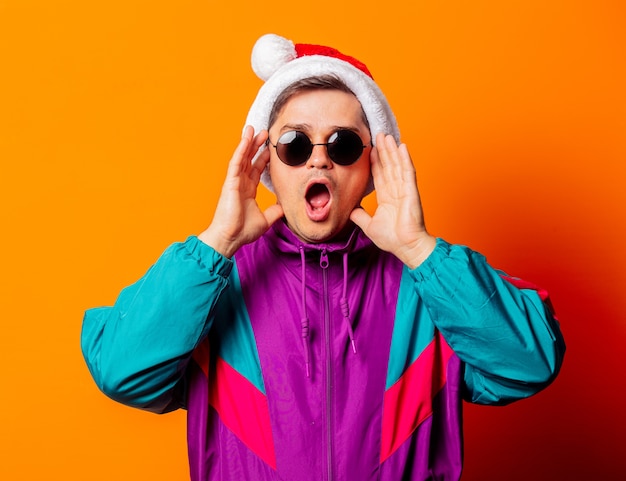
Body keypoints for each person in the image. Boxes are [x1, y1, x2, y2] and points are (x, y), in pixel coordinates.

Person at [81, 33, 565, 481]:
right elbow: (124, 371)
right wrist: (216, 243)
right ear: (265, 161)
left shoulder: (429, 287)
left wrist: (420, 250)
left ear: (372, 163)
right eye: (294, 143)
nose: (319, 159)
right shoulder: (213, 289)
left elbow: (529, 363)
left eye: (344, 143)